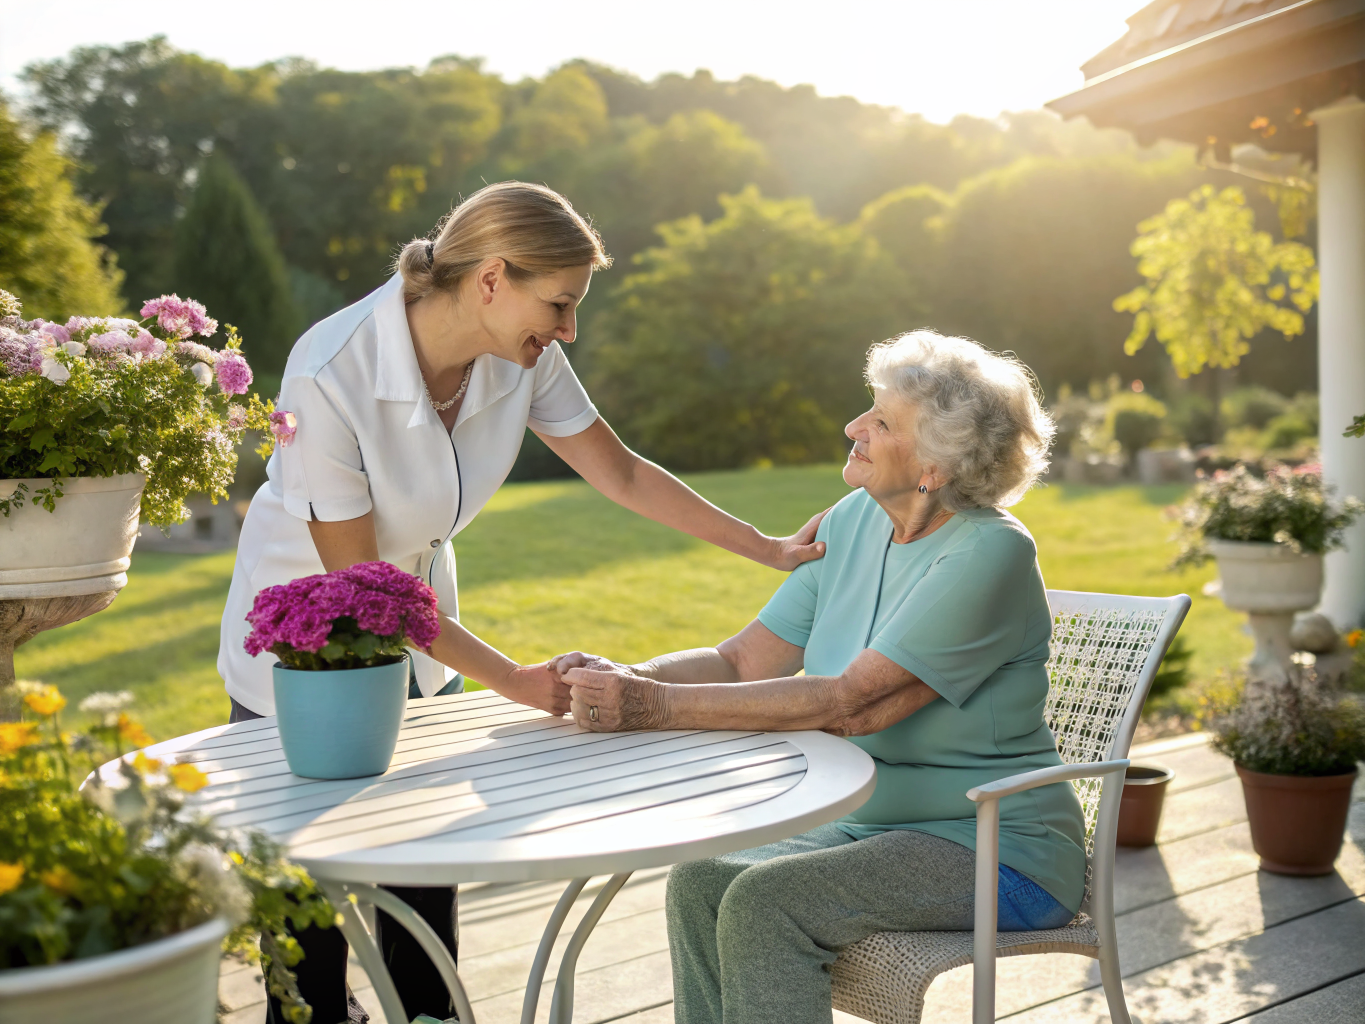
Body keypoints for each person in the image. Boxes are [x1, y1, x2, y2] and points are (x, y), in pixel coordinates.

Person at [218, 181, 827, 1024]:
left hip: (428, 625)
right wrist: (511, 678)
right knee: (307, 890)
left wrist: (764, 547)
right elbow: (360, 585)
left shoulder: (521, 353)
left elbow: (620, 471)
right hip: (305, 636)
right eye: (561, 304)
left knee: (422, 858)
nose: (568, 329)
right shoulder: (333, 369)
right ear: (493, 278)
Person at [554, 330, 1087, 1024]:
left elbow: (845, 705)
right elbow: (743, 661)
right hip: (864, 828)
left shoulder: (990, 553)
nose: (853, 427)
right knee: (699, 881)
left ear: (933, 464)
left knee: (765, 902)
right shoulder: (855, 521)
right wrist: (628, 676)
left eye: (882, 421)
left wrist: (650, 705)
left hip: (992, 845)